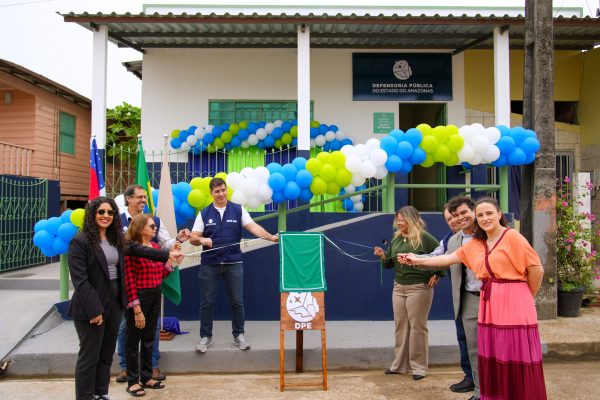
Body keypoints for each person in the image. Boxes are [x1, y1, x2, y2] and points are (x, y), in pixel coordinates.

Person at [402, 197, 547, 400]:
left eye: (489, 213)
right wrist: (415, 259)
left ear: (499, 214)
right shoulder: (477, 244)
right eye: (481, 215)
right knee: (493, 353)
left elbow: (536, 270)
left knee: (514, 352)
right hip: (490, 303)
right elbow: (446, 258)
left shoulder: (512, 237)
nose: (485, 218)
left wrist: (523, 296)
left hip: (513, 302)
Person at [67, 197, 183, 400]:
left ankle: (100, 393)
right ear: (92, 214)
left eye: (110, 212)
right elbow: (80, 281)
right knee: (89, 356)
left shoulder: (116, 240)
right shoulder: (80, 241)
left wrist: (168, 256)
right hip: (91, 303)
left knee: (106, 353)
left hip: (115, 301)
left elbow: (141, 250)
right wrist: (94, 310)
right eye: (101, 212)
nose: (105, 216)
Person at [189, 177, 278, 353]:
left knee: (237, 302)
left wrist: (271, 237)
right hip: (210, 264)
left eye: (223, 190)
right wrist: (201, 239)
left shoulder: (238, 210)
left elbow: (253, 227)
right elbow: (193, 238)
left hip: (233, 262)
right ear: (211, 193)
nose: (221, 194)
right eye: (217, 191)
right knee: (206, 302)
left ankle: (239, 335)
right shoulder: (204, 213)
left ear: (226, 190)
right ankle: (205, 337)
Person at [115, 184, 191, 383]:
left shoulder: (155, 227)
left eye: (144, 197)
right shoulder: (117, 221)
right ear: (128, 199)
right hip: (131, 289)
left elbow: (164, 247)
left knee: (152, 330)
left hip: (153, 290)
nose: (143, 200)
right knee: (128, 328)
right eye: (138, 197)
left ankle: (150, 368)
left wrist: (177, 243)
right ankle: (126, 369)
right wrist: (136, 306)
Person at [373, 206, 443, 380]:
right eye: (398, 219)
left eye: (403, 220)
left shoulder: (424, 238)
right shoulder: (396, 238)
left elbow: (441, 256)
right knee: (400, 326)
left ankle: (419, 367)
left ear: (413, 219)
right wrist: (382, 255)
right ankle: (399, 366)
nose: (400, 222)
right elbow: (389, 263)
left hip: (419, 287)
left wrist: (437, 274)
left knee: (417, 327)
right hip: (399, 287)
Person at [123, 214, 175, 396]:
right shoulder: (131, 249)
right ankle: (132, 381)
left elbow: (160, 275)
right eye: (152, 226)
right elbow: (129, 280)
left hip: (154, 296)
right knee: (132, 341)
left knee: (148, 339)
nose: (155, 229)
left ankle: (146, 377)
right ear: (140, 228)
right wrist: (136, 309)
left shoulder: (154, 247)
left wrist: (171, 265)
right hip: (139, 298)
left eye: (155, 226)